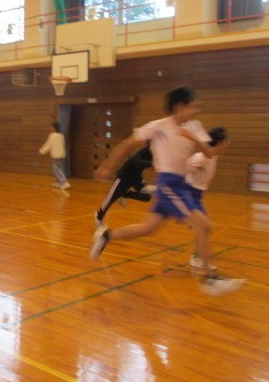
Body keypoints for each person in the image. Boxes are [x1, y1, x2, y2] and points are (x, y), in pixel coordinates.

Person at [90, 86, 245, 296]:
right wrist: (108, 166)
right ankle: (209, 278)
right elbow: (128, 144)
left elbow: (209, 153)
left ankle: (107, 236)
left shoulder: (195, 126)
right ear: (179, 106)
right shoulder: (158, 126)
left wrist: (193, 138)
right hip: (167, 184)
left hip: (179, 184)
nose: (196, 111)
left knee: (147, 229)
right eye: (193, 107)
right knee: (204, 225)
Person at [185, 127, 230, 270]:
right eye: (226, 141)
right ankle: (199, 260)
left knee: (203, 228)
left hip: (197, 195)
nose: (228, 144)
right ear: (221, 142)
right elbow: (184, 166)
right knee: (204, 227)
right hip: (189, 193)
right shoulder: (203, 157)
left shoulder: (212, 155)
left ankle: (197, 257)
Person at [94, 144, 153, 226]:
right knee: (110, 198)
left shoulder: (157, 153)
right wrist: (151, 163)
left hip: (136, 178)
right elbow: (133, 160)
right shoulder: (145, 151)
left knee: (147, 196)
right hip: (124, 177)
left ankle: (125, 194)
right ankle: (99, 216)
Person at [39, 121, 70, 190]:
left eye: (51, 127)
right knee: (57, 168)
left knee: (57, 169)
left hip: (57, 155)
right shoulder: (61, 135)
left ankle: (64, 182)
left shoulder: (53, 135)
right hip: (61, 154)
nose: (50, 128)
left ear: (54, 128)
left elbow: (48, 144)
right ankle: (59, 182)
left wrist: (42, 151)